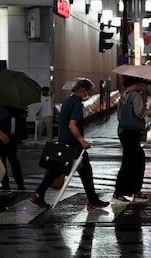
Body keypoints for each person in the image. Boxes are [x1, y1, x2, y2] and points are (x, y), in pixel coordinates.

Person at [30, 79, 109, 210]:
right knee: (85, 172)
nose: (89, 94)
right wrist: (82, 141)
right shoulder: (77, 104)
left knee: (57, 171)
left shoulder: (67, 101)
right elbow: (72, 125)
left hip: (65, 142)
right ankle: (93, 201)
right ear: (83, 91)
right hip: (74, 146)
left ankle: (38, 194)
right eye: (89, 91)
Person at [113, 76, 151, 203]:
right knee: (134, 161)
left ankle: (133, 191)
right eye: (139, 83)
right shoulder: (135, 95)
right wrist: (148, 111)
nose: (140, 85)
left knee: (131, 161)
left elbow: (119, 116)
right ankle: (121, 192)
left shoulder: (123, 97)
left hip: (124, 132)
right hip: (132, 132)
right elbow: (139, 113)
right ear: (135, 84)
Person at [0, 107, 26, 190]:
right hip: (11, 135)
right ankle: (19, 183)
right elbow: (21, 116)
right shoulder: (14, 107)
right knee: (13, 159)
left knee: (3, 160)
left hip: (0, 136)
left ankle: (6, 184)